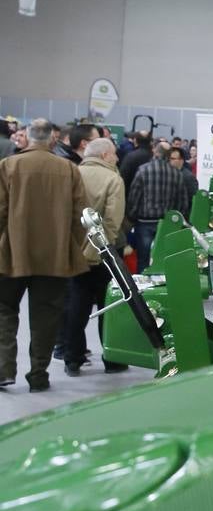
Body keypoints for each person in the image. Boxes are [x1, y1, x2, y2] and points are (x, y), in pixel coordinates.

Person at [0, 119, 89, 392]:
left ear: (26, 137)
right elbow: (81, 216)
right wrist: (69, 246)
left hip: (12, 253)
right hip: (55, 257)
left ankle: (4, 370)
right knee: (46, 317)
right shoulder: (69, 170)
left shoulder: (8, 166)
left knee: (4, 310)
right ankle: (38, 374)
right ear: (53, 138)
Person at [64, 137, 127, 375]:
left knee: (76, 305)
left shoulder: (72, 174)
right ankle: (112, 359)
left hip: (73, 251)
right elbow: (112, 220)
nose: (117, 158)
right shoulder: (113, 179)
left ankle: (72, 359)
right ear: (104, 156)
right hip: (102, 254)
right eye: (114, 154)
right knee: (107, 306)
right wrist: (102, 249)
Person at [127, 142, 191, 272]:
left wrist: (132, 217)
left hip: (144, 222)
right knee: (163, 261)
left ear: (155, 152)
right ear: (168, 155)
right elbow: (182, 203)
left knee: (143, 260)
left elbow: (134, 197)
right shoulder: (176, 174)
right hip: (167, 224)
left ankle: (143, 283)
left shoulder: (143, 170)